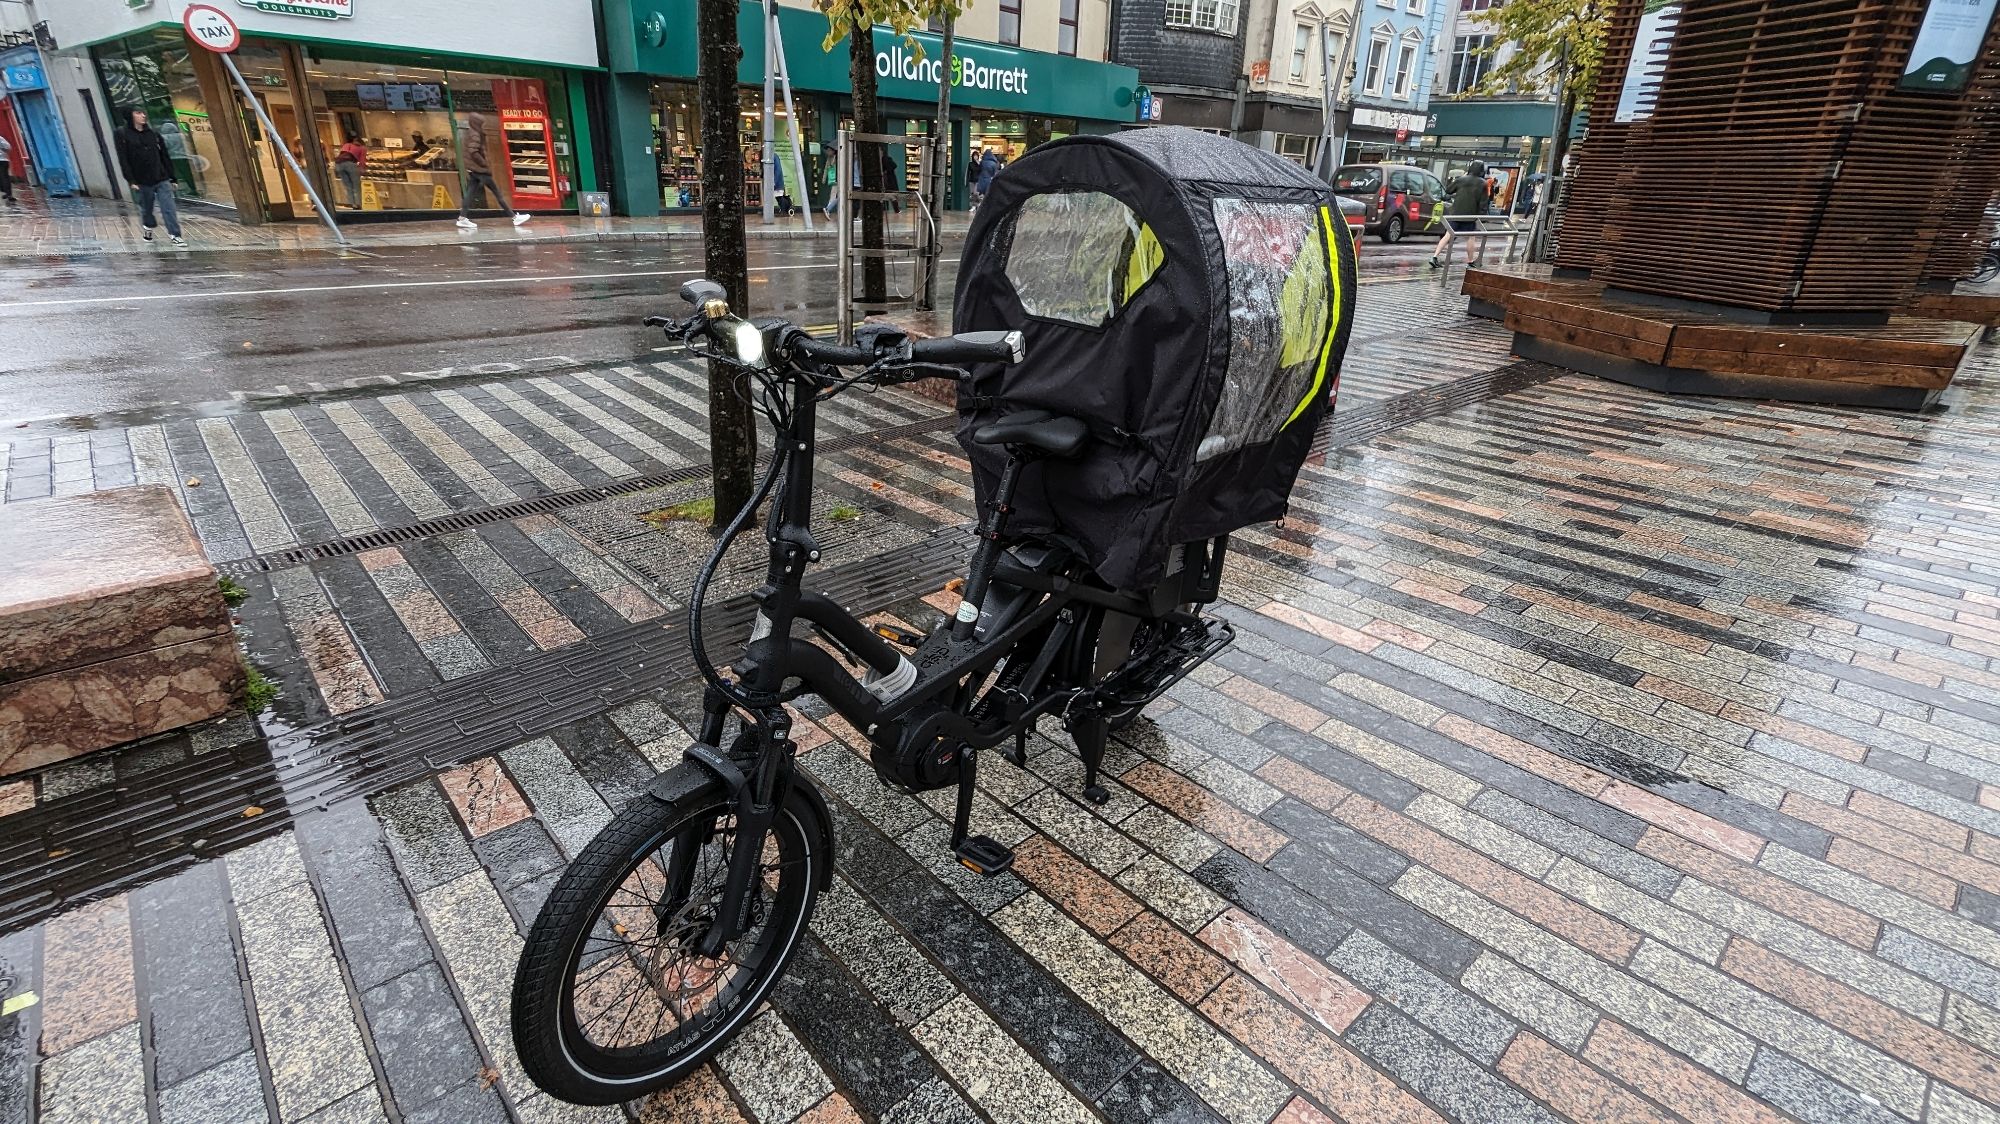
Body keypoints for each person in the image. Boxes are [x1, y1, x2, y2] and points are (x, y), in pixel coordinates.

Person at [115, 108, 184, 247]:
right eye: (138, 113)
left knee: (168, 207)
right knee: (146, 208)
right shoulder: (122, 134)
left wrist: (172, 177)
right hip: (141, 180)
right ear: (130, 116)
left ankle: (175, 235)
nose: (143, 115)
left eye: (143, 113)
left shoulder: (154, 134)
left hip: (161, 177)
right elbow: (123, 159)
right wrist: (131, 180)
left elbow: (164, 156)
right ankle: (148, 226)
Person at [456, 115, 529, 231]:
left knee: (469, 194)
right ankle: (514, 217)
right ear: (477, 123)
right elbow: (473, 151)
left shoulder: (470, 133)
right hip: (480, 170)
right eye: (481, 123)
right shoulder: (475, 134)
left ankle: (462, 218)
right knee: (497, 193)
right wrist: (484, 164)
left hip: (474, 170)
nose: (482, 125)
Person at [1429, 160, 1493, 270]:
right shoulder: (1483, 183)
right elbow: (1483, 202)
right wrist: (1482, 216)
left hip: (1456, 213)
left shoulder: (1461, 180)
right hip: (1470, 215)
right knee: (1471, 237)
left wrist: (1460, 179)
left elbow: (1448, 190)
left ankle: (1434, 257)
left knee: (1448, 235)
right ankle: (1470, 261)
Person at [333, 134, 367, 209]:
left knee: (348, 186)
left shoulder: (346, 145)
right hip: (350, 164)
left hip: (338, 164)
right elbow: (362, 161)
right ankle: (358, 204)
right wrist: (362, 170)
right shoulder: (362, 148)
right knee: (356, 186)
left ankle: (352, 204)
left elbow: (341, 154)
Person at [0, 132, 14, 204]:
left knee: (3, 177)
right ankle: (8, 193)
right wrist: (4, 149)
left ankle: (6, 192)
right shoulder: (0, 138)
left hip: (2, 160)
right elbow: (8, 147)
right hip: (3, 160)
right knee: (5, 177)